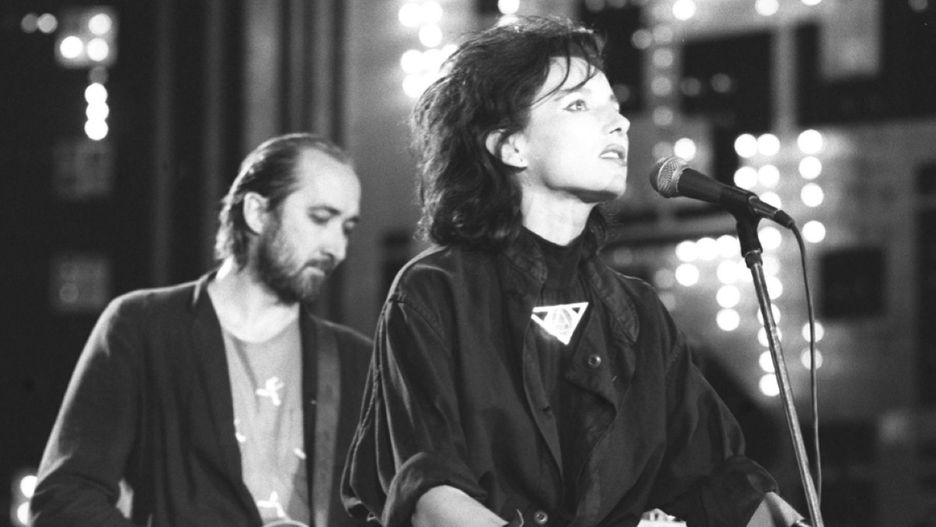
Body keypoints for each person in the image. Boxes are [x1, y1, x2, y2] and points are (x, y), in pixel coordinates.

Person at [341, 17, 803, 527]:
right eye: (579, 105)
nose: (619, 123)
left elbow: (721, 482)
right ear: (510, 145)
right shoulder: (436, 291)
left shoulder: (639, 313)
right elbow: (431, 494)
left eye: (615, 106)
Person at [31, 133, 372, 527]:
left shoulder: (357, 361)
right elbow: (64, 500)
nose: (337, 249)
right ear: (257, 213)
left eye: (347, 228)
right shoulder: (142, 327)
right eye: (320, 218)